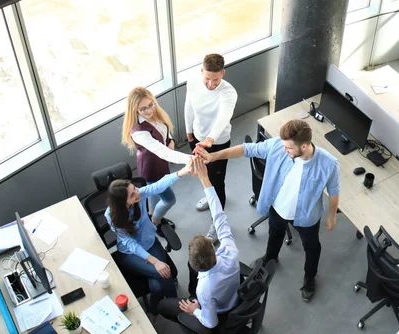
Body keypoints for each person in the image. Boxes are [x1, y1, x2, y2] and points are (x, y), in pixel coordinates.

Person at [195, 119, 341, 302]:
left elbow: (334, 191)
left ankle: (309, 278)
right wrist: (214, 156)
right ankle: (271, 258)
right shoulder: (279, 146)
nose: (283, 150)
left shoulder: (329, 164)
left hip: (306, 216)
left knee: (312, 248)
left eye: (288, 148)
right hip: (277, 208)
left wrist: (332, 215)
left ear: (304, 146)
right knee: (275, 234)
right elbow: (246, 149)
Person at [157, 157, 240, 331]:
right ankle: (191, 293)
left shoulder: (205, 289)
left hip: (218, 309)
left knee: (163, 306)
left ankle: (189, 330)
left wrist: (195, 310)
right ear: (213, 248)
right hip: (230, 294)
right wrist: (205, 180)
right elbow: (219, 216)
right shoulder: (230, 252)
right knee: (196, 292)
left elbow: (211, 322)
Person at [105, 159, 193, 320]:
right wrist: (155, 262)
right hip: (130, 254)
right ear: (122, 203)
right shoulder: (112, 216)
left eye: (135, 189)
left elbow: (158, 186)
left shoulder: (140, 194)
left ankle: (154, 311)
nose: (137, 193)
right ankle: (180, 313)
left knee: (157, 286)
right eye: (132, 195)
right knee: (164, 274)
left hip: (150, 243)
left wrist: (182, 172)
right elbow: (130, 244)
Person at [185, 53, 238, 242]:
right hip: (198, 138)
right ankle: (209, 198)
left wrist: (210, 138)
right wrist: (189, 132)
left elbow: (224, 116)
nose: (210, 84)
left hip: (218, 143)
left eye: (216, 79)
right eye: (207, 78)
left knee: (217, 182)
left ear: (223, 73)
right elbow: (188, 107)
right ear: (201, 71)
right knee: (203, 174)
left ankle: (217, 224)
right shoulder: (192, 82)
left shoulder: (228, 92)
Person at [122, 87, 192, 230]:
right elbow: (162, 152)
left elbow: (164, 131)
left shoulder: (155, 114)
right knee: (169, 199)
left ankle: (151, 213)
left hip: (160, 164)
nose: (149, 110)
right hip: (152, 168)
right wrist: (190, 159)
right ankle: (155, 221)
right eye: (143, 109)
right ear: (135, 110)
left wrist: (170, 140)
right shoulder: (138, 131)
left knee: (153, 191)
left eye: (151, 105)